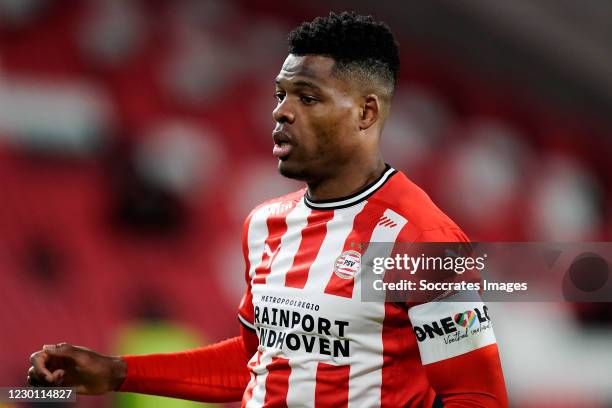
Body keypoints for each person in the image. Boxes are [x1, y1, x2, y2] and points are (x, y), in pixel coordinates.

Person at [28, 12, 508, 407]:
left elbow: (476, 395)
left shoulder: (420, 238)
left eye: (308, 97)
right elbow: (255, 363)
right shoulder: (265, 224)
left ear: (366, 113)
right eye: (281, 94)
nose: (281, 112)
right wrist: (117, 371)